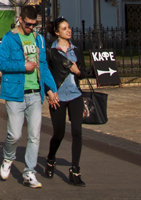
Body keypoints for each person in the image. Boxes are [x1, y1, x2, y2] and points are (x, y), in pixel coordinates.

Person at [0, 5, 58, 188]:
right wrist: (23, 66)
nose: (32, 28)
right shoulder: (10, 39)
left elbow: (43, 65)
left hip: (34, 93)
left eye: (34, 25)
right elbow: (1, 63)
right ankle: (8, 158)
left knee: (34, 135)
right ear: (21, 20)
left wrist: (51, 88)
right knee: (14, 134)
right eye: (29, 25)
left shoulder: (38, 39)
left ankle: (29, 172)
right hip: (15, 93)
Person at [45, 17, 87, 186]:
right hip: (58, 97)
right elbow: (46, 73)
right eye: (64, 28)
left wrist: (78, 71)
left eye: (69, 28)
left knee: (77, 131)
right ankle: (50, 158)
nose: (68, 31)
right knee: (59, 133)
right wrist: (49, 91)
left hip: (75, 95)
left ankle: (75, 170)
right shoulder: (51, 51)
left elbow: (83, 72)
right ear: (57, 32)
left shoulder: (76, 50)